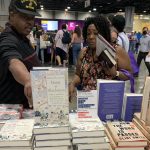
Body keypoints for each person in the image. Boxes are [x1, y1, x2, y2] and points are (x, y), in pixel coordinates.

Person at [69, 16, 132, 100]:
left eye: (95, 33)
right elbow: (78, 75)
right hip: (87, 103)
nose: (91, 37)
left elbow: (129, 74)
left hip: (107, 102)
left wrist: (116, 73)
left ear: (103, 34)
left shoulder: (116, 50)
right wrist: (72, 83)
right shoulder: (84, 52)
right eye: (88, 34)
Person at [0, 0, 41, 108]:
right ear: (12, 15)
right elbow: (13, 61)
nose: (30, 23)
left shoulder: (21, 37)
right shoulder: (8, 38)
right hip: (13, 114)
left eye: (32, 18)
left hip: (25, 111)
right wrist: (27, 80)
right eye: (25, 17)